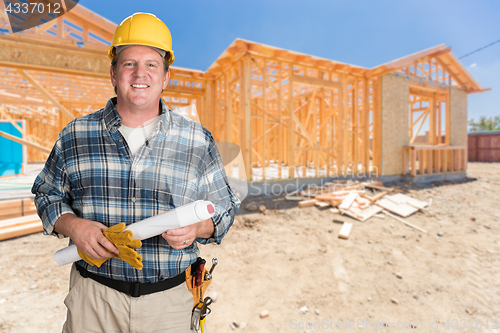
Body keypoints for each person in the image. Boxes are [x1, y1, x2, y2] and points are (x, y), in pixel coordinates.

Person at [32, 12, 240, 333]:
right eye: (129, 63)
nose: (140, 73)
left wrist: (198, 226)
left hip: (171, 303)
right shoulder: (76, 134)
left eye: (152, 64)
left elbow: (225, 206)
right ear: (114, 74)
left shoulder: (196, 139)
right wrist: (74, 226)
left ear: (166, 77)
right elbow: (47, 193)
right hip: (94, 300)